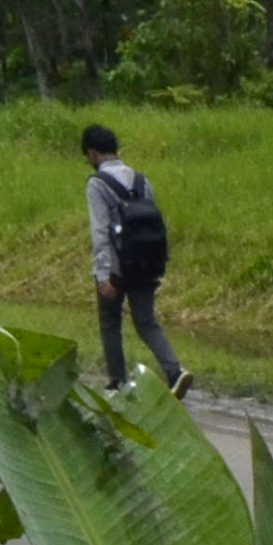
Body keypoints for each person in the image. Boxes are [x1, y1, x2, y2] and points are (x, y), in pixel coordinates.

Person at [80, 124, 191, 399]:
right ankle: (175, 371)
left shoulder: (97, 184)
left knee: (110, 323)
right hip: (146, 264)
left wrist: (103, 273)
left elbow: (100, 230)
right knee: (145, 321)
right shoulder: (141, 180)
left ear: (93, 153)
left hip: (117, 267)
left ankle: (117, 382)